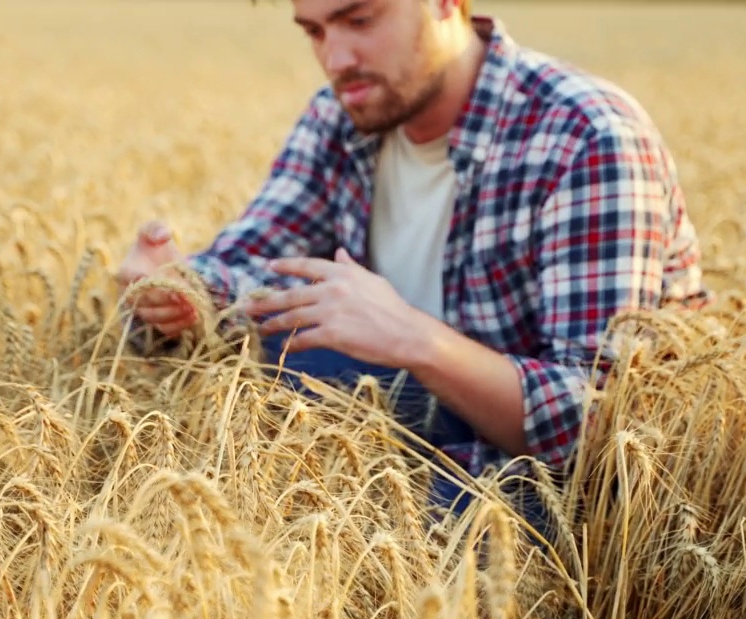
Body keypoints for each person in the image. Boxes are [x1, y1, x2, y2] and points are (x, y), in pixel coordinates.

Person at [114, 0, 710, 529]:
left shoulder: (585, 136)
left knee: (326, 517)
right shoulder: (342, 115)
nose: (336, 58)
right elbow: (254, 261)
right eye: (314, 32)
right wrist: (176, 290)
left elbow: (602, 424)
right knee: (263, 379)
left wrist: (413, 338)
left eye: (360, 19)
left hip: (560, 480)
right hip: (426, 423)